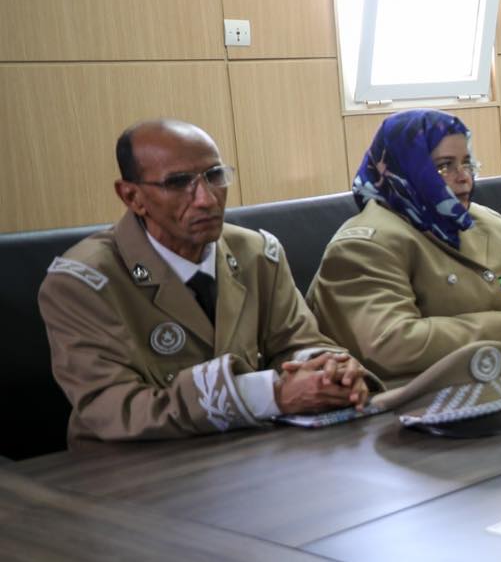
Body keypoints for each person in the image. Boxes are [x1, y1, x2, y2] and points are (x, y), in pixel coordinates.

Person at [40, 119, 369, 441]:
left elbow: (296, 340)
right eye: (179, 183)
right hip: (135, 472)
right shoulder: (83, 282)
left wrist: (327, 373)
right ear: (131, 197)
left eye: (215, 176)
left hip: (252, 453)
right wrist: (269, 395)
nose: (207, 199)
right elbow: (114, 409)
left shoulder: (256, 253)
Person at [310, 111, 501, 381]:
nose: (464, 176)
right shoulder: (364, 244)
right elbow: (393, 344)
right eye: (444, 166)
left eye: (467, 163)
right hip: (406, 403)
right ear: (404, 168)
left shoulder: (487, 223)